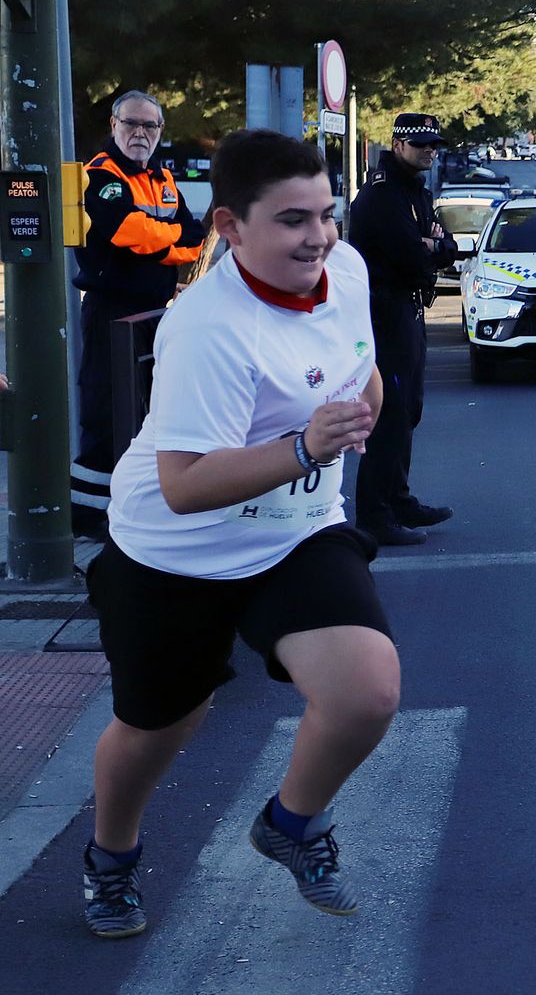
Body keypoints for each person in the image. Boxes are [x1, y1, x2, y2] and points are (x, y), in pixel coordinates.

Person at [80, 130, 398, 939]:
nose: (318, 236)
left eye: (325, 215)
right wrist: (304, 447)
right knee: (163, 726)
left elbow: (361, 366)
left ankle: (290, 824)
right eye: (293, 220)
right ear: (229, 226)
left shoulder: (346, 271)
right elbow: (185, 485)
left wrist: (360, 413)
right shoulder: (207, 326)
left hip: (295, 532)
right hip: (174, 552)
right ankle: (111, 859)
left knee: (365, 690)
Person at [70, 91, 206, 536]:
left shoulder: (163, 179)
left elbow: (195, 239)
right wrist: (168, 244)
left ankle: (131, 508)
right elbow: (126, 231)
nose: (140, 134)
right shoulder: (101, 176)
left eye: (150, 126)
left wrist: (161, 243)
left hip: (152, 313)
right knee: (106, 414)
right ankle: (90, 518)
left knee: (146, 414)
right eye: (132, 124)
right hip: (112, 311)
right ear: (114, 124)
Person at [347, 113, 459, 546]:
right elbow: (415, 257)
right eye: (421, 144)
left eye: (434, 144)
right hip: (385, 312)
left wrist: (434, 244)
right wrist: (429, 246)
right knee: (388, 410)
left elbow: (445, 248)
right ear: (397, 146)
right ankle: (375, 515)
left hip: (410, 308)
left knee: (409, 408)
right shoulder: (382, 196)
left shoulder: (415, 191)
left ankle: (399, 499)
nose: (430, 150)